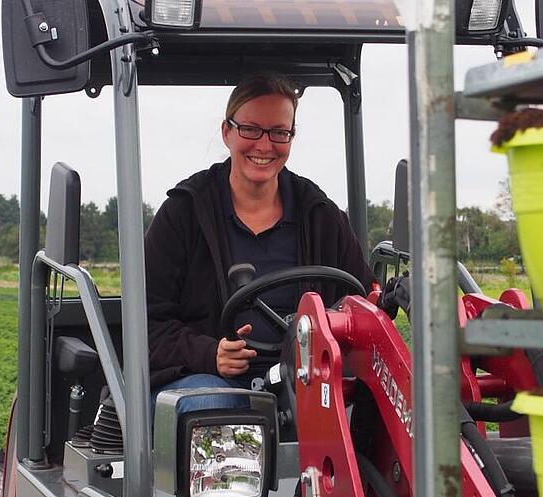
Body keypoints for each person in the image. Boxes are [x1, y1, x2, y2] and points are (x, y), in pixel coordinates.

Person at [145, 72, 375, 413]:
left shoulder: (320, 215)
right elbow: (145, 325)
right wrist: (210, 353)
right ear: (227, 132)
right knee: (218, 407)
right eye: (250, 129)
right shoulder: (184, 213)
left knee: (376, 414)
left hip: (306, 380)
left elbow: (361, 302)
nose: (265, 145)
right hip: (204, 379)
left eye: (279, 132)